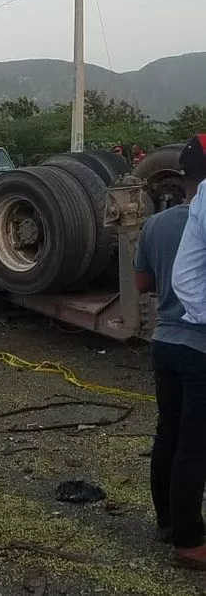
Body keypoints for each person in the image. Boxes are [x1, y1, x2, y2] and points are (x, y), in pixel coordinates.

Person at [135, 135, 206, 569]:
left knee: (169, 434)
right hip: (200, 349)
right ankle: (189, 541)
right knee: (195, 446)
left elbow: (142, 284)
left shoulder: (156, 225)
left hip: (165, 343)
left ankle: (167, 521)